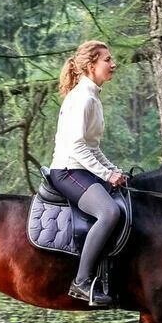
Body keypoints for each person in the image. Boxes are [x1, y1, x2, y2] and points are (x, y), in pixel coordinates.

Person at [49, 40, 127, 306]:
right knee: (110, 212)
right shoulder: (82, 97)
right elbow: (76, 147)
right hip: (68, 171)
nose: (113, 64)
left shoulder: (92, 95)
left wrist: (113, 170)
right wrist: (106, 175)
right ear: (91, 64)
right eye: (107, 59)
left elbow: (93, 146)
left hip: (81, 169)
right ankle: (81, 282)